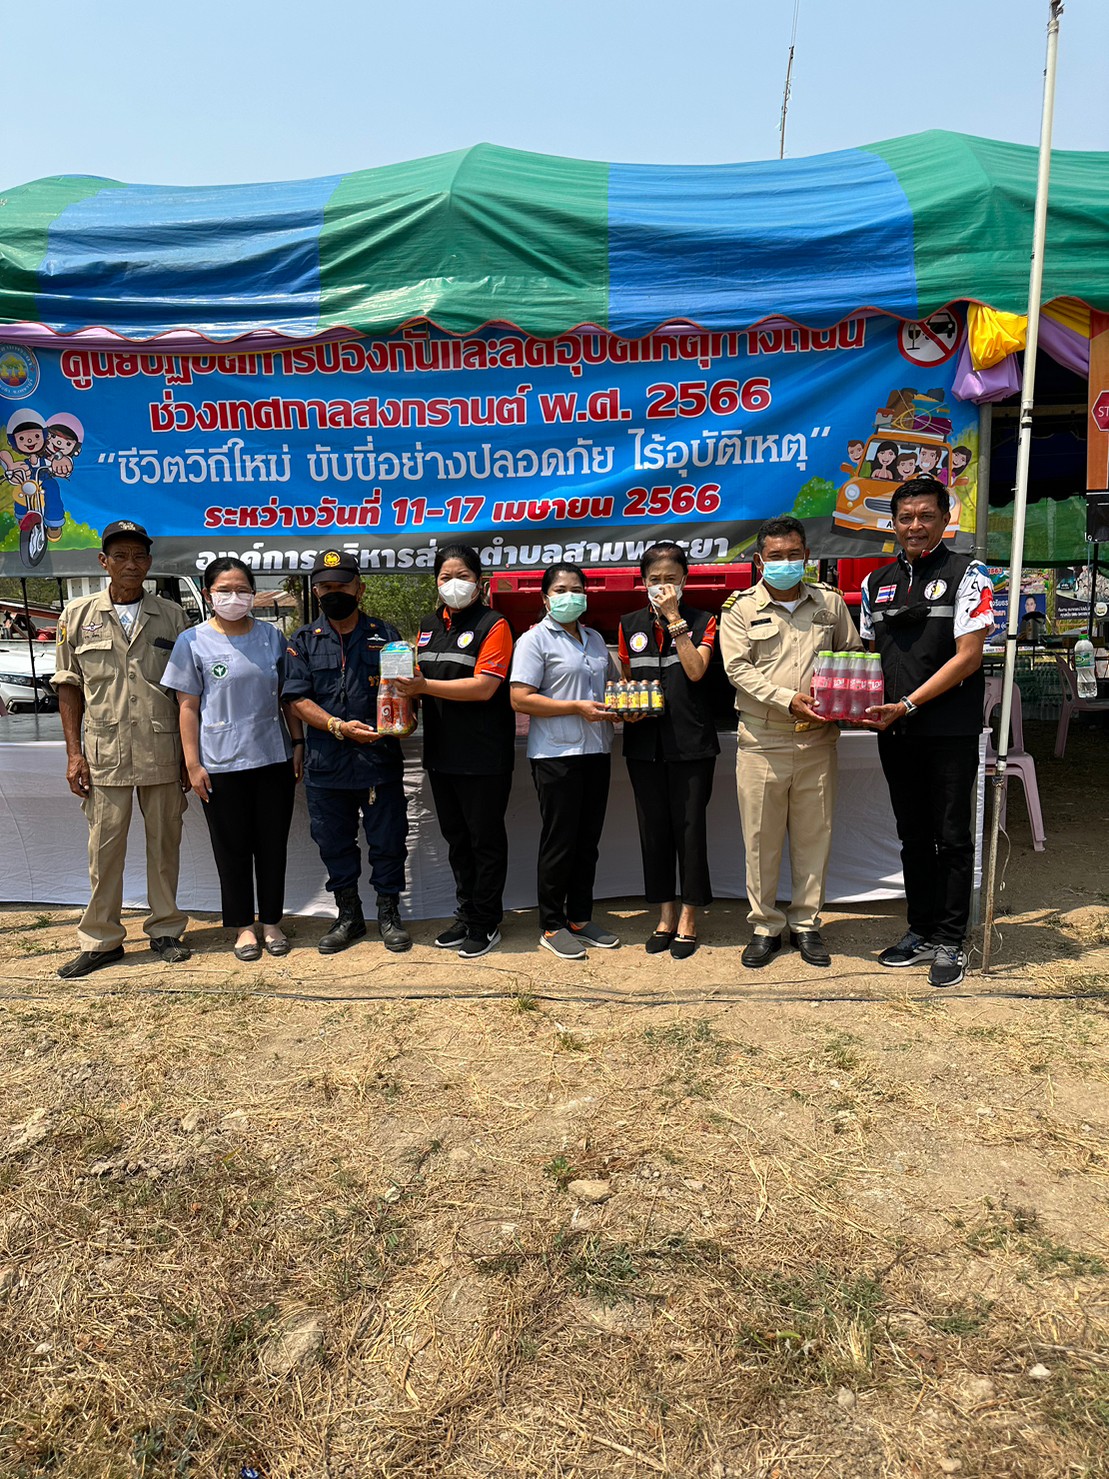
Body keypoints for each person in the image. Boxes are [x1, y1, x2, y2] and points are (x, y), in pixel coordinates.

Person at [861, 477, 994, 988]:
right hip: (895, 730)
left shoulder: (969, 575)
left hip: (949, 728)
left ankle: (951, 940)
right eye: (905, 518)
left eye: (925, 516)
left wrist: (908, 704)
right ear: (893, 523)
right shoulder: (876, 582)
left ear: (945, 519)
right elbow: (871, 657)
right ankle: (920, 929)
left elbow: (969, 657)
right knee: (912, 835)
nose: (915, 526)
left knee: (952, 836)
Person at [52, 520, 191, 978]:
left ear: (149, 563)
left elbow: (188, 691)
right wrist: (74, 754)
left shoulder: (172, 616)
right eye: (121, 556)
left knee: (164, 845)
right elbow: (68, 686)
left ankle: (165, 929)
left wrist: (190, 756)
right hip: (104, 753)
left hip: (162, 749)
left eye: (139, 556)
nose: (131, 564)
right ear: (103, 562)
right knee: (104, 850)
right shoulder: (76, 616)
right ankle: (102, 939)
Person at [720, 515, 861, 968]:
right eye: (775, 556)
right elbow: (737, 670)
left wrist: (845, 693)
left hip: (817, 740)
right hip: (762, 741)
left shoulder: (830, 602)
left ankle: (806, 924)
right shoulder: (739, 609)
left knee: (813, 838)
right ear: (759, 560)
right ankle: (765, 926)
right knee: (760, 841)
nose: (785, 562)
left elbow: (852, 653)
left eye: (793, 555)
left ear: (807, 556)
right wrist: (787, 700)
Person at [163, 557, 304, 961]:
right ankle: (243, 926)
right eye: (224, 590)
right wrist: (192, 764)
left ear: (253, 594)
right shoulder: (192, 641)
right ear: (208, 595)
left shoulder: (271, 637)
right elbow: (187, 707)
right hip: (220, 764)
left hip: (272, 758)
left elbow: (288, 696)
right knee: (232, 848)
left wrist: (297, 742)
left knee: (272, 845)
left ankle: (272, 922)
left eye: (242, 589)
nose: (234, 597)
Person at [282, 550, 411, 954]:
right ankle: (349, 916)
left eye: (341, 585)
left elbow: (404, 692)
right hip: (327, 764)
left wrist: (404, 716)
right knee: (334, 843)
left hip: (378, 760)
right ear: (315, 592)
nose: (333, 592)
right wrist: (337, 726)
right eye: (325, 586)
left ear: (360, 588)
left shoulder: (386, 635)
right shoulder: (303, 640)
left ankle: (389, 915)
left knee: (388, 840)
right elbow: (296, 699)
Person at [394, 544, 515, 961]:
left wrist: (424, 686)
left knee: (485, 840)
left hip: (483, 753)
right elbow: (420, 678)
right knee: (457, 840)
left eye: (462, 576)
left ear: (479, 582)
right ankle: (466, 914)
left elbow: (484, 687)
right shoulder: (429, 625)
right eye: (445, 577)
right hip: (442, 751)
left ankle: (486, 921)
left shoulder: (494, 624)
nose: (453, 584)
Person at [509, 562, 620, 962]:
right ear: (545, 598)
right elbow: (520, 698)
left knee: (587, 842)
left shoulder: (594, 639)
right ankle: (552, 924)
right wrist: (575, 707)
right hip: (556, 755)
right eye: (560, 590)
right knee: (561, 842)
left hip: (596, 750)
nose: (569, 596)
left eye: (576, 589)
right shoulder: (534, 640)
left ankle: (580, 917)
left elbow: (608, 686)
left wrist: (622, 705)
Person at [617, 541, 718, 959]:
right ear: (642, 582)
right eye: (655, 580)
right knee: (653, 831)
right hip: (644, 745)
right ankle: (665, 914)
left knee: (690, 830)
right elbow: (628, 678)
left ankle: (690, 916)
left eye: (671, 579)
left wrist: (675, 619)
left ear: (685, 580)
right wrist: (627, 708)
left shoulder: (704, 620)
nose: (662, 587)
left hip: (691, 743)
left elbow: (696, 671)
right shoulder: (629, 623)